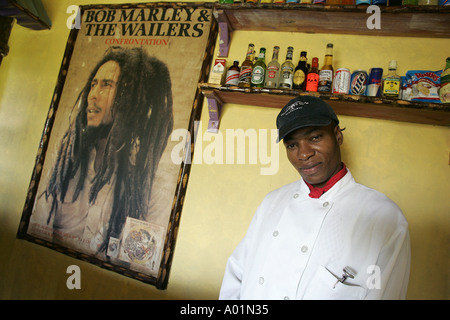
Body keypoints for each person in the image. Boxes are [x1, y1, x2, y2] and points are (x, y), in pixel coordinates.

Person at [219, 96, 410, 300]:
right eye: (292, 145)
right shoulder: (272, 201)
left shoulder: (384, 216)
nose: (304, 154)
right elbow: (237, 273)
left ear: (337, 136)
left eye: (315, 137)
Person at [38, 47, 173, 256]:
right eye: (93, 84)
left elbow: (142, 258)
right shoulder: (66, 156)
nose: (93, 95)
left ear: (131, 98)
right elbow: (39, 221)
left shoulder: (153, 181)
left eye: (106, 85)